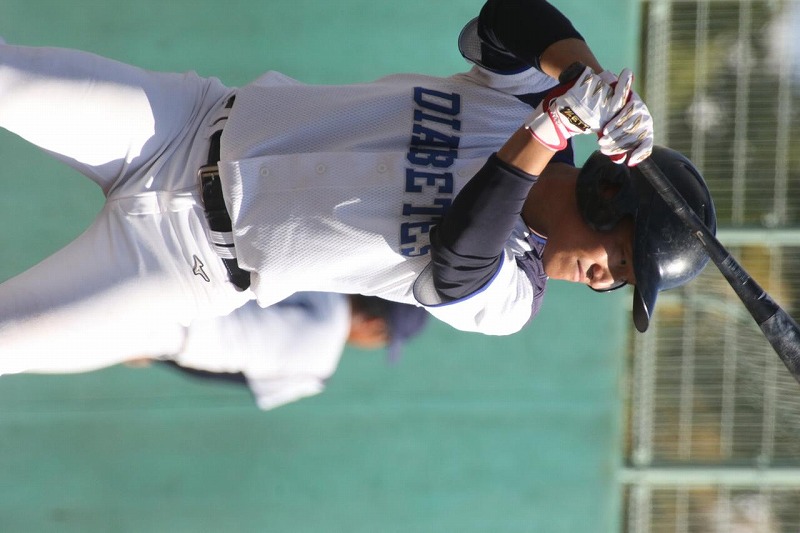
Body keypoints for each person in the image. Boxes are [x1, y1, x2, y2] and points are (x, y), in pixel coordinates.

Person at [0, 0, 714, 374]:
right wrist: (585, 78)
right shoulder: (526, 102)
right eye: (621, 257)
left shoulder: (514, 297)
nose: (604, 279)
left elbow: (459, 254)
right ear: (609, 196)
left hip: (179, 268)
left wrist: (554, 128)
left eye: (621, 279)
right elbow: (505, 17)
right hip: (181, 122)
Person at [133, 293, 428, 411]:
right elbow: (225, 374)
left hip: (170, 285)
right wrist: (155, 356)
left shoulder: (320, 267)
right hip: (165, 335)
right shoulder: (317, 371)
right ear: (374, 326)